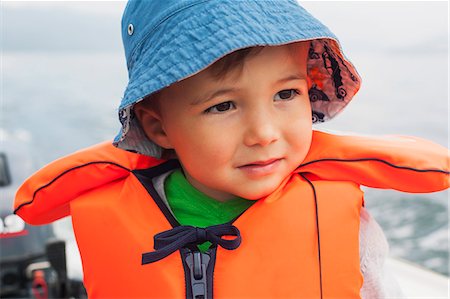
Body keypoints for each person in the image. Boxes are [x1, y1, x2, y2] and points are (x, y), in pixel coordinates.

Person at [14, 1, 449, 298]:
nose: (264, 133)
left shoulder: (347, 222)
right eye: (223, 105)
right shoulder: (113, 211)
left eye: (286, 95)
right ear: (157, 125)